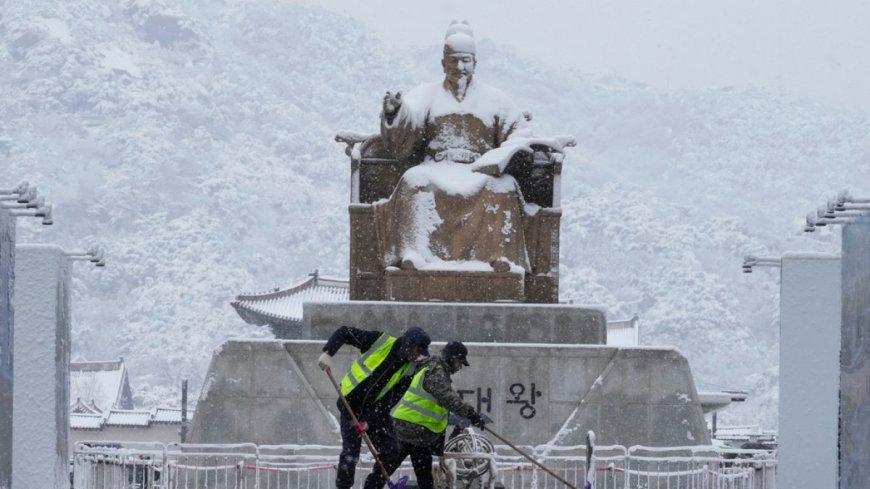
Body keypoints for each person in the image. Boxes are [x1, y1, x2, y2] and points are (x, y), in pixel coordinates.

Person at [373, 20, 547, 274]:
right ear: (443, 63)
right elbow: (408, 122)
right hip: (436, 167)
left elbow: (519, 132)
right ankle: (414, 254)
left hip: (479, 170)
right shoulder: (427, 94)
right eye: (453, 61)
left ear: (475, 63)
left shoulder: (495, 99)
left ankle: (499, 258)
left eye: (465, 60)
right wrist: (395, 113)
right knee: (413, 180)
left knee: (504, 186)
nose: (459, 67)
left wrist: (504, 154)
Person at [318, 326, 432, 489]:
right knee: (351, 454)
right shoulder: (380, 341)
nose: (417, 356)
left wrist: (369, 422)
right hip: (350, 404)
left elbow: (390, 400)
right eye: (416, 350)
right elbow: (344, 332)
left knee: (392, 450)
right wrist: (328, 352)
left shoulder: (409, 369)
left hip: (375, 411)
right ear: (408, 343)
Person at [363, 341, 486, 489]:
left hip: (419, 435)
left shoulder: (435, 369)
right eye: (460, 362)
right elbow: (448, 398)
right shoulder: (436, 371)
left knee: (422, 478)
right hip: (408, 430)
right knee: (386, 471)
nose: (459, 367)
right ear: (451, 358)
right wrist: (471, 414)